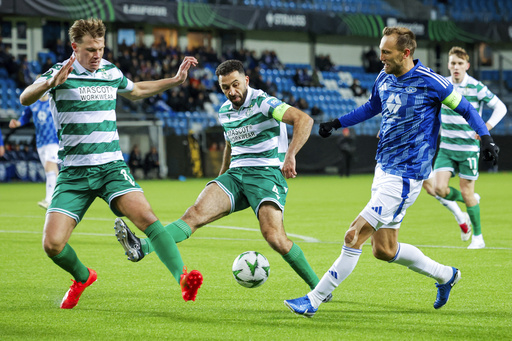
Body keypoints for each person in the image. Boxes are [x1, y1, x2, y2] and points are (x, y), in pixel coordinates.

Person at [284, 26, 499, 317]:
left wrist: (485, 137)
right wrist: (337, 122)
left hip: (405, 177)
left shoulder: (431, 82)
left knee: (353, 235)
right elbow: (372, 106)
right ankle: (447, 275)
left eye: (386, 52)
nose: (380, 56)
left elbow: (467, 109)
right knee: (384, 249)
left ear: (406, 53)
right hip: (383, 169)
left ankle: (314, 300)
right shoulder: (384, 76)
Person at [19, 18, 202, 309]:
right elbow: (25, 97)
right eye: (91, 49)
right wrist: (49, 84)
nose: (97, 55)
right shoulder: (59, 73)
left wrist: (175, 80)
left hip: (111, 168)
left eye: (101, 49)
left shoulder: (109, 71)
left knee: (147, 218)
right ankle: (82, 277)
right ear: (74, 47)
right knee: (52, 245)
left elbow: (137, 90)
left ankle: (182, 278)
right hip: (74, 174)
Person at [115, 59, 327, 295]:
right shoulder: (225, 110)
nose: (231, 92)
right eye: (225, 87)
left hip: (265, 174)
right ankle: (142, 247)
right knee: (193, 215)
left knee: (274, 238)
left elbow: (304, 120)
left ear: (246, 81)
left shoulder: (264, 102)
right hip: (235, 175)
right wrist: (220, 178)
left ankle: (319, 289)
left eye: (235, 85)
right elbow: (230, 143)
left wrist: (290, 156)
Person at [422, 46, 506, 249]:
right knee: (438, 189)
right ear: (448, 66)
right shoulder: (442, 85)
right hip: (447, 148)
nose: (456, 67)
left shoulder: (476, 87)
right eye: (453, 63)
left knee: (466, 191)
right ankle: (470, 202)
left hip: (468, 149)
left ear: (467, 66)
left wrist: (486, 127)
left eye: (460, 64)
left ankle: (478, 238)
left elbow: (500, 107)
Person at [9, 90, 59, 209]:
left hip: (54, 140)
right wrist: (17, 123)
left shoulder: (54, 101)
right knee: (53, 171)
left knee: (49, 166)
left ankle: (49, 200)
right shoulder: (33, 104)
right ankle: (58, 199)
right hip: (41, 143)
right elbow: (25, 118)